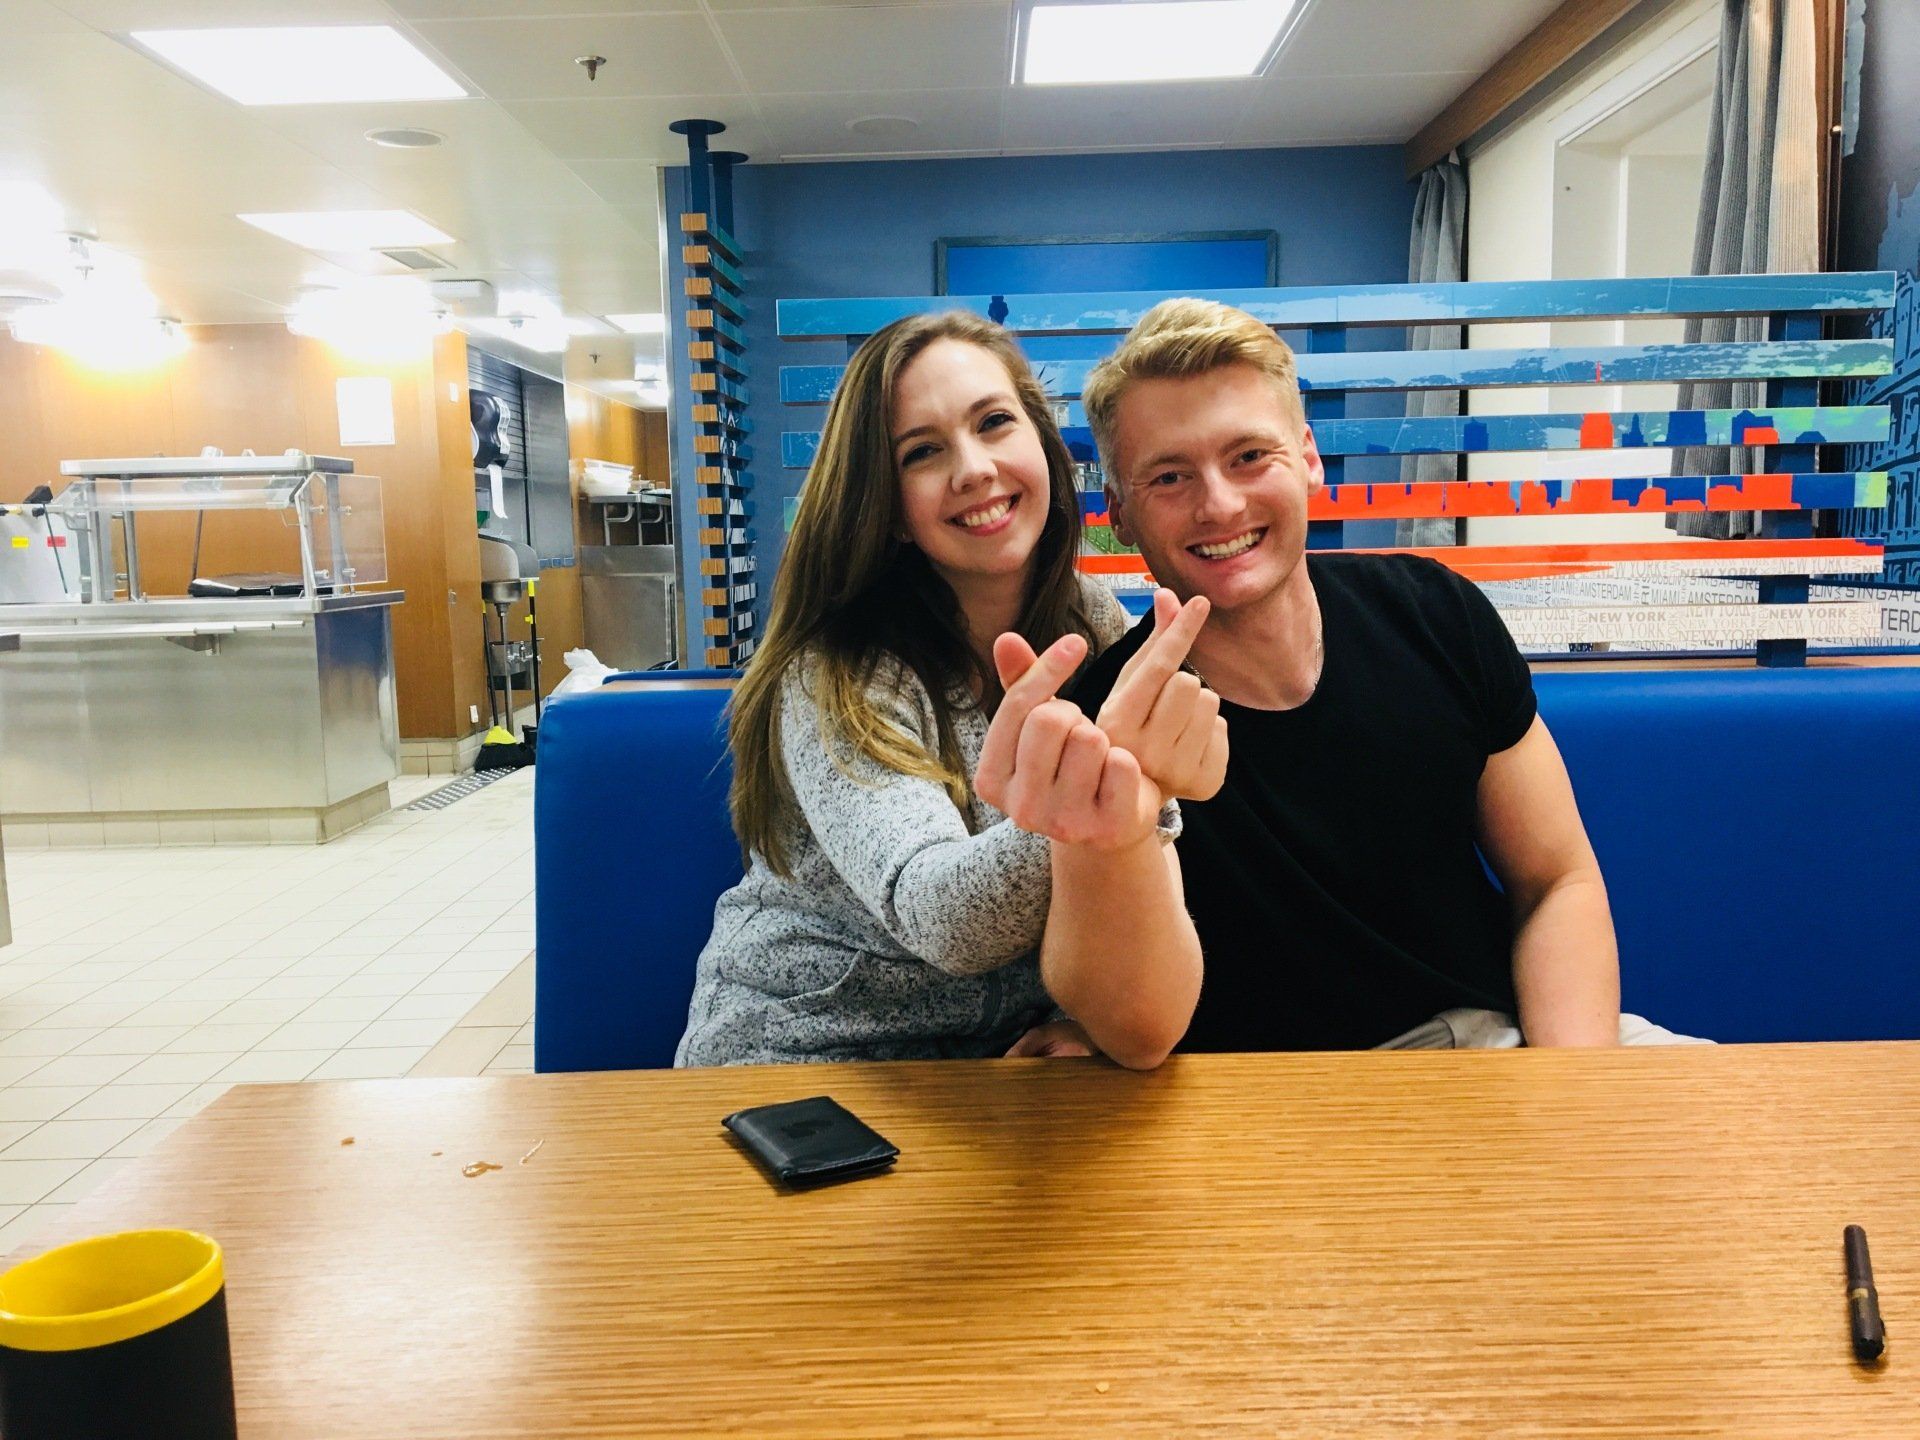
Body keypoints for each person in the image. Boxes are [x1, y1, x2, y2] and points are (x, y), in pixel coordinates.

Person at [1070, 298, 1704, 1052]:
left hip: (1510, 1043)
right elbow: (1133, 1021)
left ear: (1308, 459)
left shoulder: (1435, 614)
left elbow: (1555, 881)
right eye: (1170, 477)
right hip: (1275, 1094)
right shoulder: (1104, 723)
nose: (1220, 503)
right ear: (1120, 513)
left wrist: (1566, 1089)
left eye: (1249, 456)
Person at [676, 311, 1226, 1069]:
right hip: (801, 1059)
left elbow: (1132, 899)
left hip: (997, 1072)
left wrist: (1082, 1015)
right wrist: (1113, 791)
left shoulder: (1092, 621)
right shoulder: (835, 673)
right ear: (889, 508)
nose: (972, 469)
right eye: (922, 452)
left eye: (994, 423)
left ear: (1041, 443)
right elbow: (940, 919)